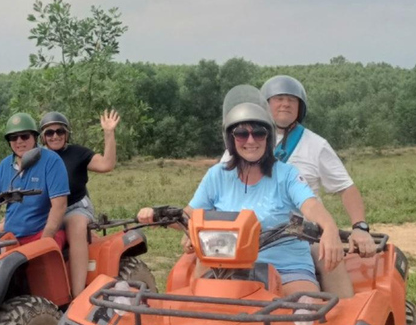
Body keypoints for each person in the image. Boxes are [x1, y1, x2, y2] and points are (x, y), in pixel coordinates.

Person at [139, 85, 344, 296]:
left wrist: (328, 228)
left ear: (269, 137)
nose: (251, 140)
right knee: (195, 312)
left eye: (258, 132)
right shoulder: (217, 175)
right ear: (231, 138)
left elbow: (310, 205)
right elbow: (189, 215)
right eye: (241, 134)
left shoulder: (287, 174)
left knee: (305, 311)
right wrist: (156, 215)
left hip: (286, 266)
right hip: (226, 268)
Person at [261, 75, 376, 296]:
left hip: (302, 233)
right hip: (253, 231)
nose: (285, 104)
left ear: (300, 108)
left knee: (329, 260)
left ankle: (345, 321)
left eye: (292, 100)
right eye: (279, 98)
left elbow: (346, 187)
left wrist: (360, 228)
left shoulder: (315, 144)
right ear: (265, 104)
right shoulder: (247, 140)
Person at [40, 110, 119, 297]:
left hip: (75, 206)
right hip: (49, 211)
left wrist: (109, 133)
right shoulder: (38, 158)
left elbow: (106, 164)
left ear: (66, 134)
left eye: (60, 131)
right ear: (43, 137)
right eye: (49, 133)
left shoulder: (78, 153)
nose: (55, 136)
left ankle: (78, 295)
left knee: (76, 227)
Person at [0, 113, 69, 247]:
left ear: (35, 137)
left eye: (24, 136)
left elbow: (59, 206)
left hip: (41, 233)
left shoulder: (51, 161)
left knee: (41, 265)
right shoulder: (4, 165)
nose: (19, 141)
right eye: (13, 137)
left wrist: (45, 240)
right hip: (11, 236)